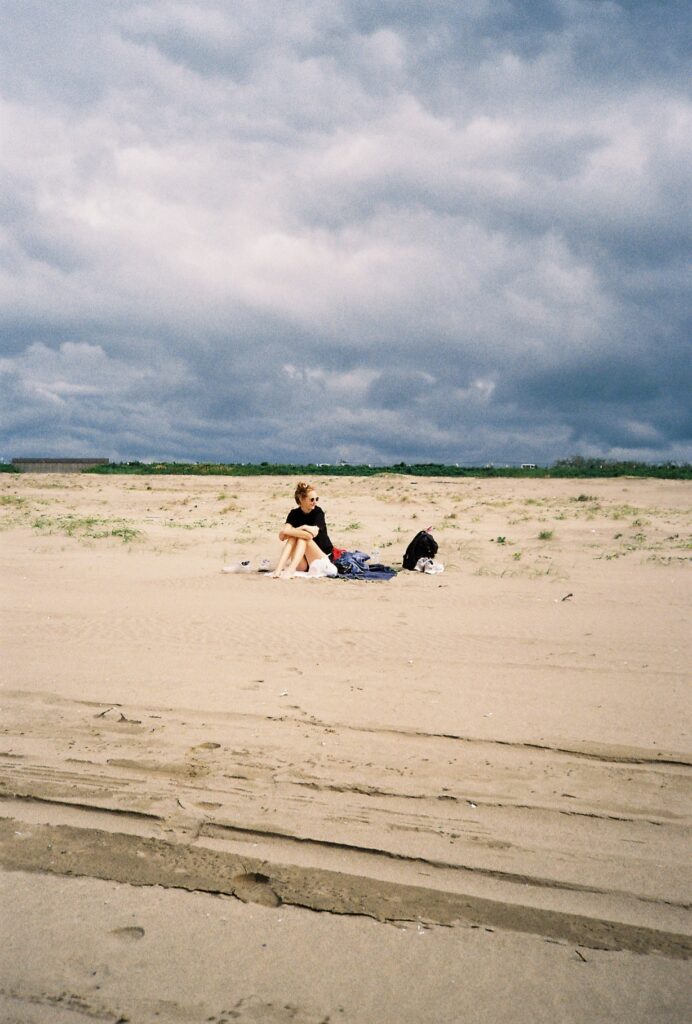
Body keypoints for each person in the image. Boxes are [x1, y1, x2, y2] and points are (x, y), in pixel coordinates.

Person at [272, 481, 333, 577]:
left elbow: (312, 533)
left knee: (302, 538)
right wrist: (299, 529)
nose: (315, 502)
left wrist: (300, 528)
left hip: (321, 558)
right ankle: (278, 569)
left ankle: (291, 570)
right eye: (312, 499)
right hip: (304, 563)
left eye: (316, 499)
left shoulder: (318, 512)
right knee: (293, 537)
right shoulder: (294, 513)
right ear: (301, 499)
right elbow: (282, 536)